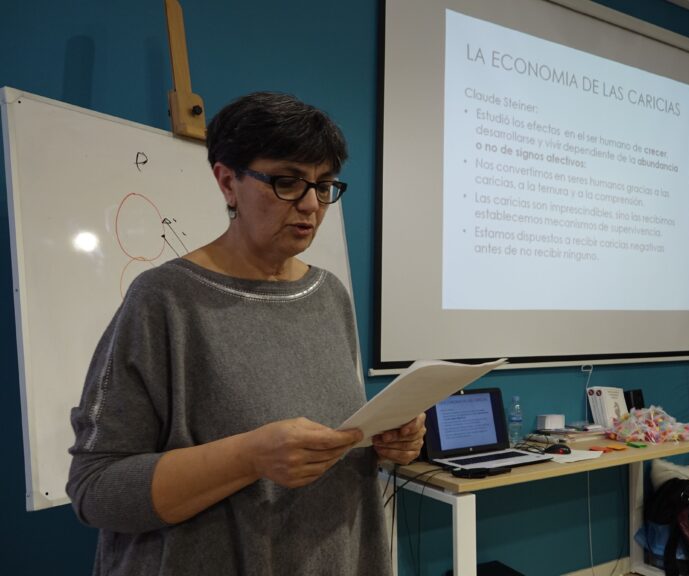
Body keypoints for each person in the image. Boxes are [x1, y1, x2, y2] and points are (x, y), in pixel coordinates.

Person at [67, 92, 426, 575]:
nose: (310, 206)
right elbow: (96, 490)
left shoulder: (328, 294)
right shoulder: (162, 300)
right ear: (227, 181)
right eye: (286, 182)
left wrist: (385, 443)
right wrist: (248, 456)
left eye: (323, 186)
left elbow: (329, 446)